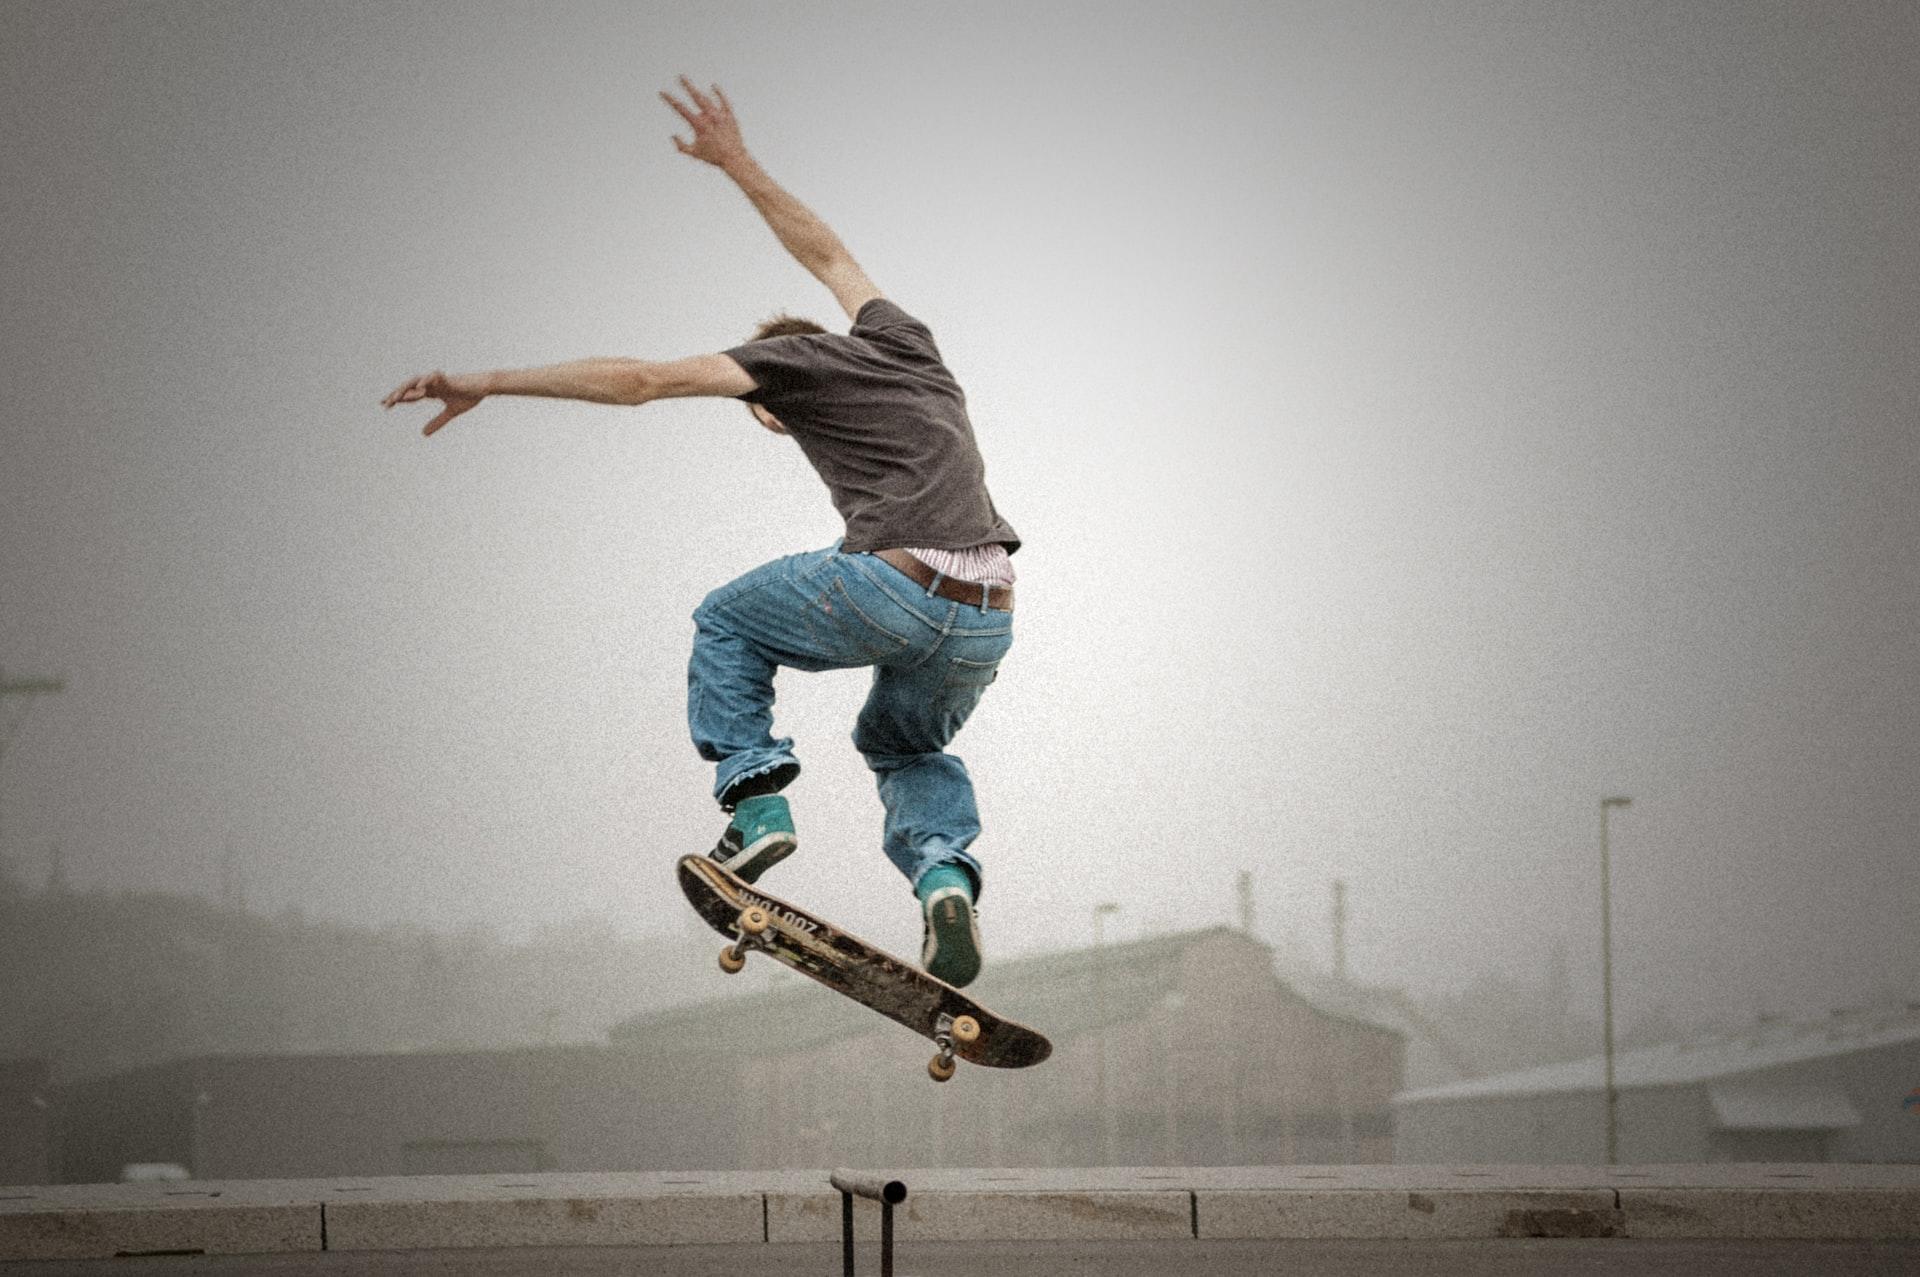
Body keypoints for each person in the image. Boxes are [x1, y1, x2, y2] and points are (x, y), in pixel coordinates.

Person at [382, 78, 1017, 987]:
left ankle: (758, 805)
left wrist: (488, 378)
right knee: (906, 742)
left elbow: (639, 380)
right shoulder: (904, 341)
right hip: (990, 609)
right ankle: (945, 879)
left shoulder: (783, 368)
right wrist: (738, 164)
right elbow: (828, 251)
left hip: (899, 582)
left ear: (769, 408)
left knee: (728, 618)